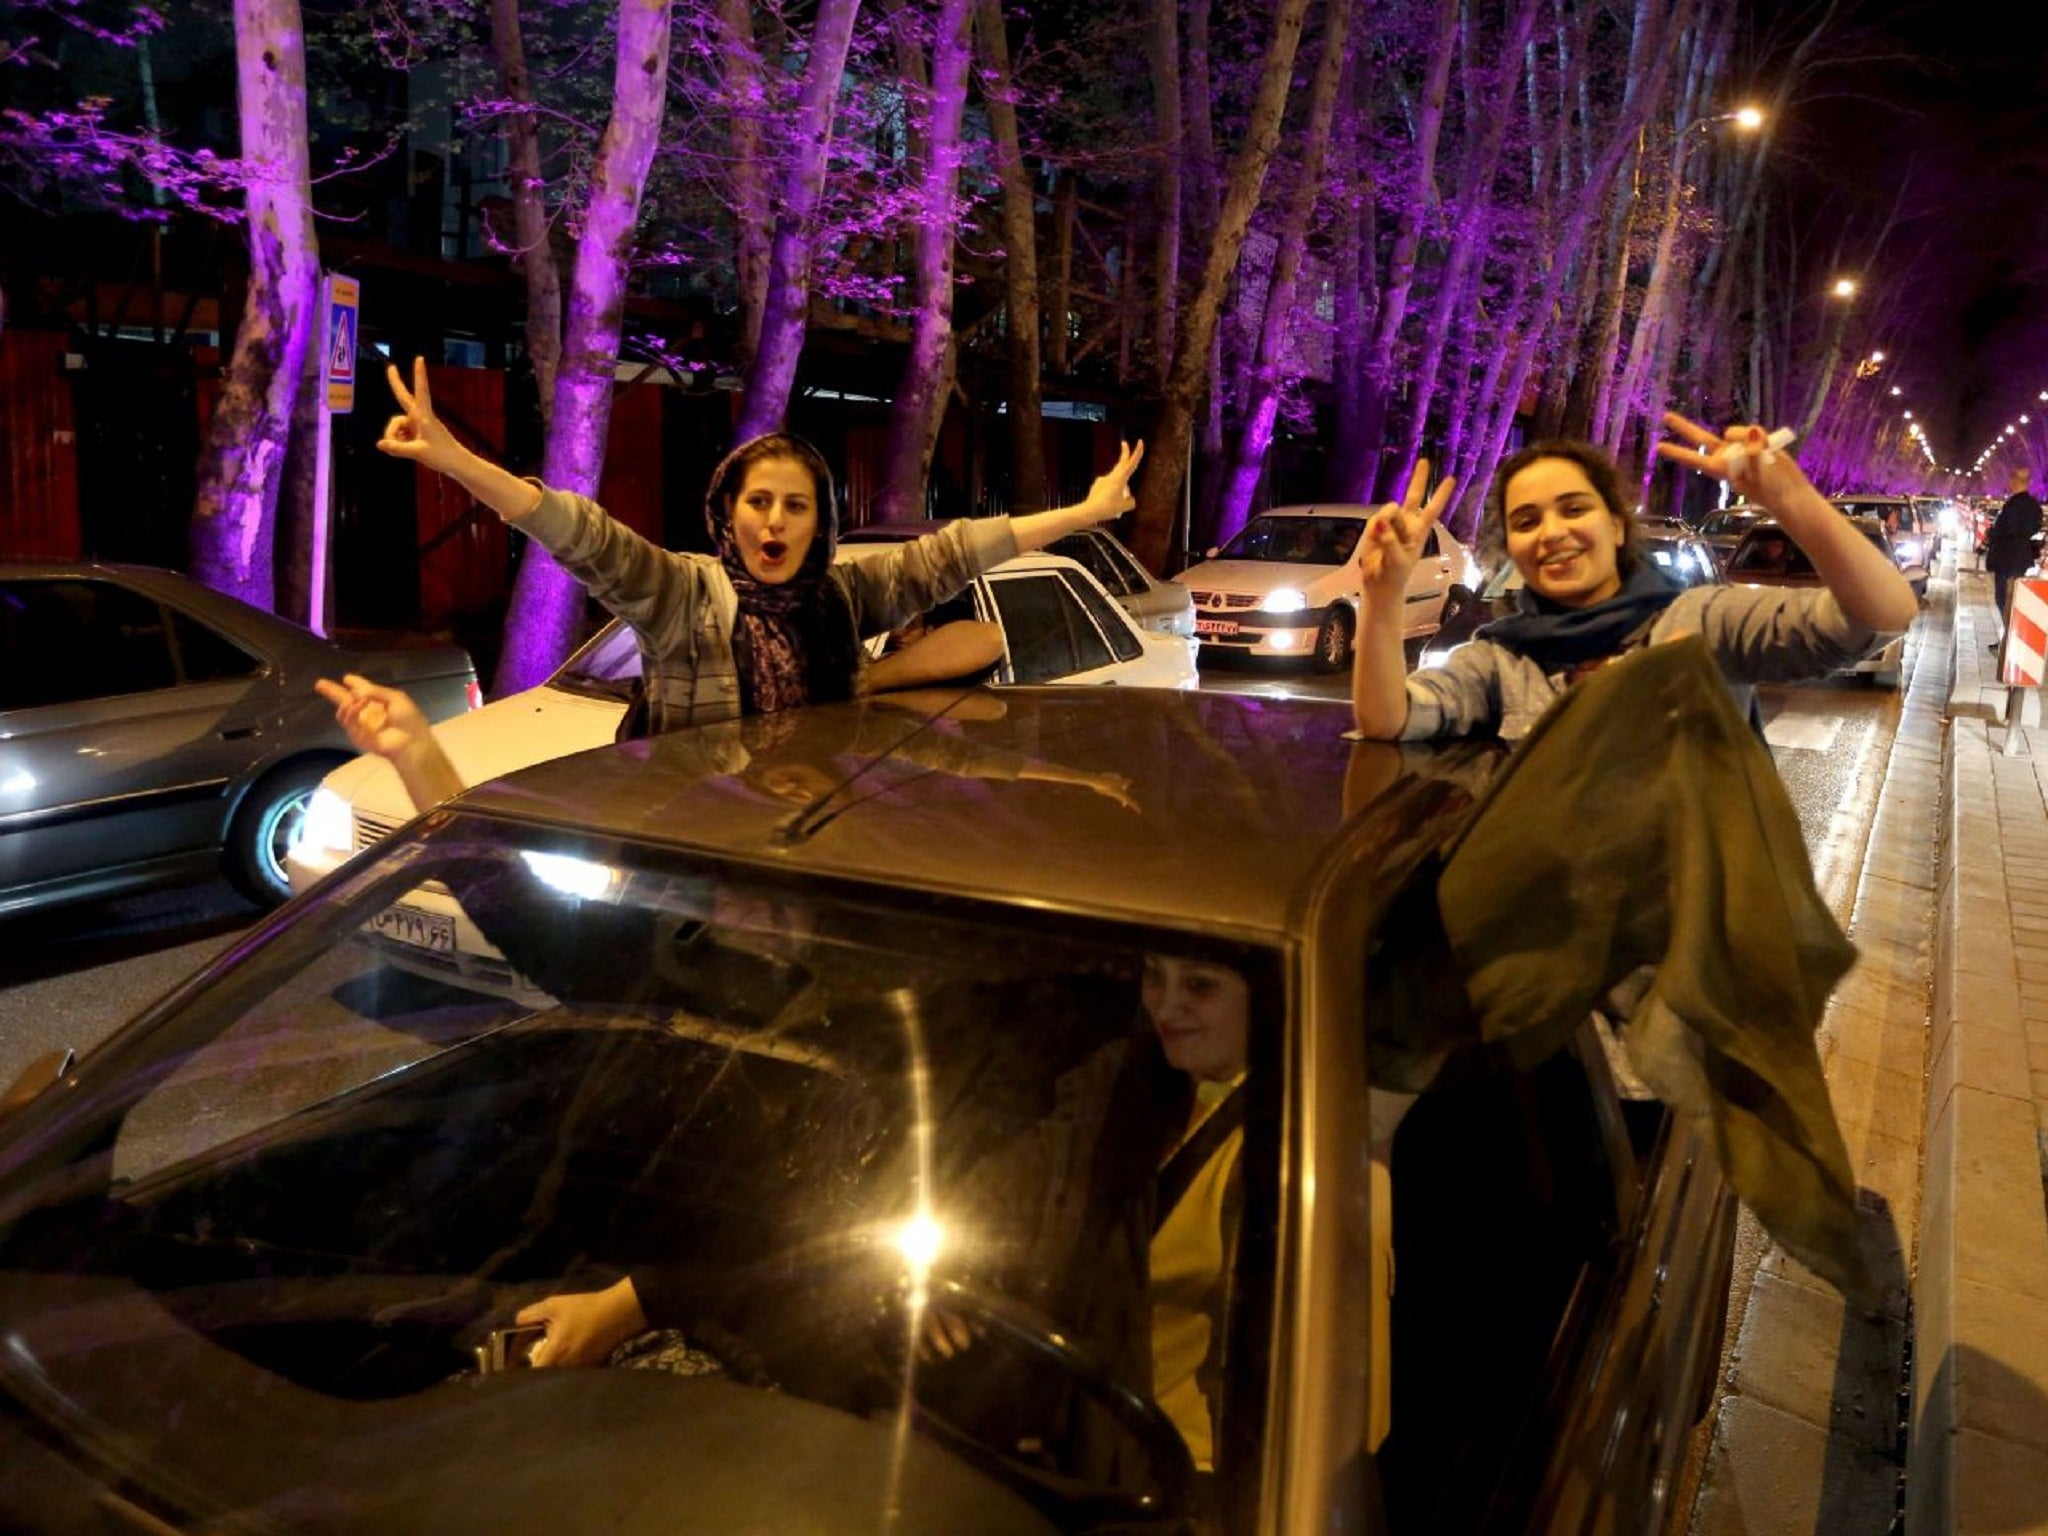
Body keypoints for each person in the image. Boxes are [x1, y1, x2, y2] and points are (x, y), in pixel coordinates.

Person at [371, 356, 1142, 741]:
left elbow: (954, 554)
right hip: (700, 847)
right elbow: (582, 535)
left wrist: (1086, 511)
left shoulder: (843, 598)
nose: (775, 521)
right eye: (759, 502)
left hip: (814, 839)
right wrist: (456, 462)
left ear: (820, 524)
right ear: (728, 513)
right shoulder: (683, 596)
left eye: (796, 506)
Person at [1348, 415, 1920, 743]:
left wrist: (1793, 500)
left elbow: (1884, 613)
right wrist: (1382, 595)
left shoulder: (1701, 623)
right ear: (1512, 550)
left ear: (1618, 527)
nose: (1550, 532)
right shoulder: (1500, 661)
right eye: (1527, 521)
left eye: (1574, 509)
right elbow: (1388, 719)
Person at [1984, 465, 2043, 644]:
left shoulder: (2012, 505)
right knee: (2015, 600)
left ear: (2015, 481)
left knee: (2004, 599)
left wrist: (1992, 533)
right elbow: (2035, 527)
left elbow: (2005, 529)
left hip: (2006, 558)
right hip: (2022, 558)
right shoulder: (2034, 505)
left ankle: (2009, 641)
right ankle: (2010, 638)